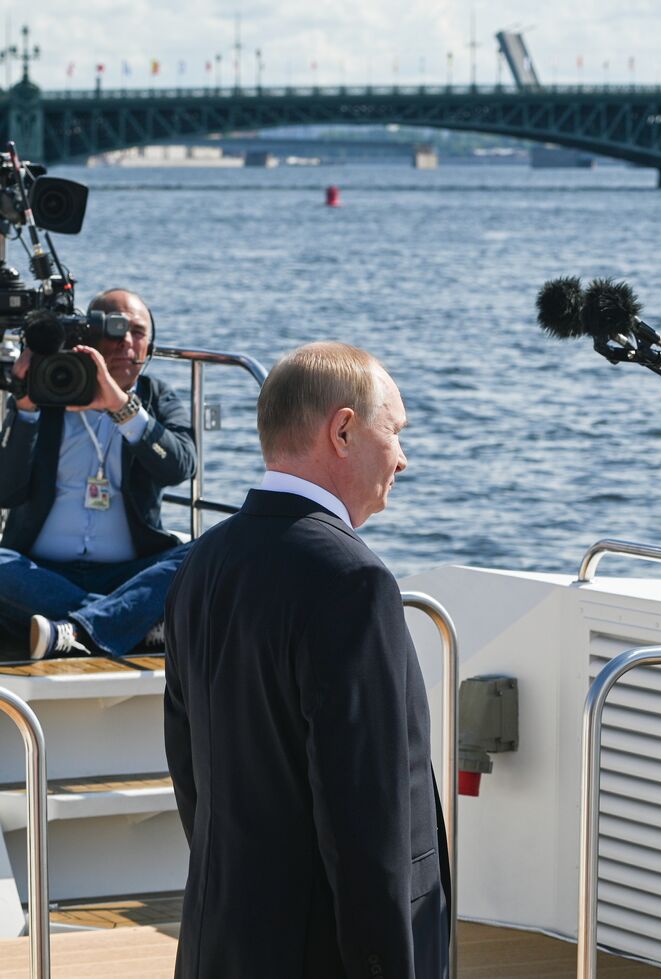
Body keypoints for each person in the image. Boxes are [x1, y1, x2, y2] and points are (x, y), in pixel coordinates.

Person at [163, 341, 450, 978]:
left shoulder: (201, 564)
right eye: (395, 432)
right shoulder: (353, 581)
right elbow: (365, 821)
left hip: (222, 942)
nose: (402, 459)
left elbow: (191, 775)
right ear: (343, 430)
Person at [0, 288, 195, 660]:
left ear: (149, 347)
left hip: (130, 571)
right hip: (41, 572)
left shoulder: (156, 398)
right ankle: (122, 620)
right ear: (87, 336)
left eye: (136, 331)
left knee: (206, 551)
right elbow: (5, 490)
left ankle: (74, 630)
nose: (125, 341)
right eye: (112, 329)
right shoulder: (48, 391)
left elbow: (180, 466)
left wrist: (123, 409)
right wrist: (24, 406)